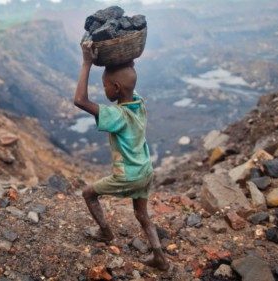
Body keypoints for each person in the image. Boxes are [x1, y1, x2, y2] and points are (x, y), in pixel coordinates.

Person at [73, 41, 169, 271]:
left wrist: (87, 63)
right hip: (146, 170)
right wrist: (125, 60)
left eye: (105, 85)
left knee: (88, 194)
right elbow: (129, 80)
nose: (104, 89)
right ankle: (159, 258)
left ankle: (105, 232)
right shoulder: (138, 103)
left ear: (116, 88)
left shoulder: (118, 115)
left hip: (129, 175)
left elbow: (80, 101)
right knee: (142, 214)